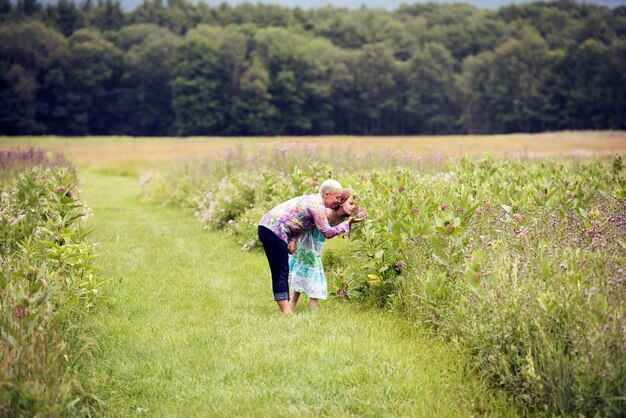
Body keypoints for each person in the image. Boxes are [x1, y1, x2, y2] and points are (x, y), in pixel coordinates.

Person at [258, 179, 366, 315]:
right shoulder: (317, 206)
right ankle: (286, 312)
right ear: (326, 194)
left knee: (282, 270)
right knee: (280, 271)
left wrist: (293, 239)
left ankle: (287, 309)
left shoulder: (314, 200)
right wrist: (347, 224)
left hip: (270, 228)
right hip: (273, 229)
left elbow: (298, 220)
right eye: (337, 197)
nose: (338, 201)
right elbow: (327, 232)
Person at [288, 189, 362, 312]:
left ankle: (291, 305)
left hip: (314, 245)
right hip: (307, 242)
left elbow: (339, 228)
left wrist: (352, 220)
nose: (353, 207)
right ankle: (314, 311)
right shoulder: (328, 212)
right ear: (341, 201)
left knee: (304, 271)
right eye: (351, 203)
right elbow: (324, 230)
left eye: (355, 204)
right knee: (314, 272)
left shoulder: (342, 216)